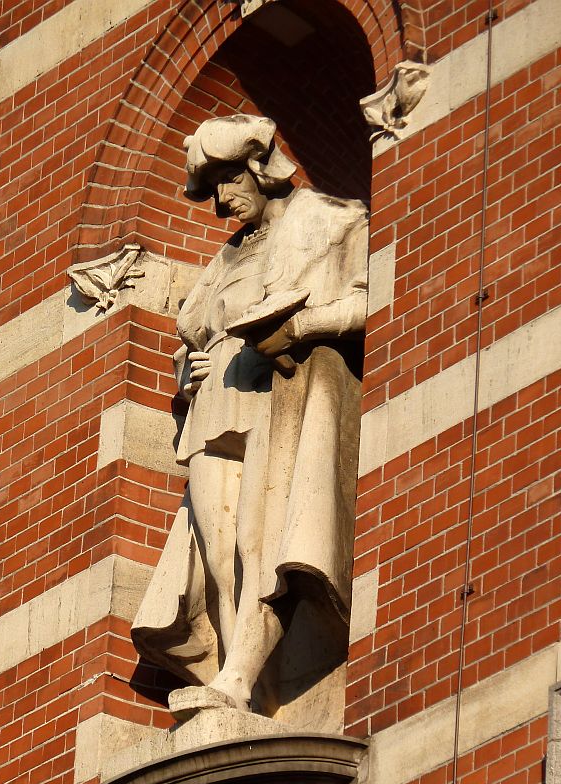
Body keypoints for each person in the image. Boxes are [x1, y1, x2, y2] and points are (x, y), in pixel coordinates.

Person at [131, 114, 369, 718]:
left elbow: (370, 300)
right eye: (212, 188)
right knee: (218, 554)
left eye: (228, 182)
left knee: (258, 538)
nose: (220, 202)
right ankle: (244, 683)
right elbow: (193, 340)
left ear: (260, 171)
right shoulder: (227, 259)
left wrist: (300, 327)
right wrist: (191, 372)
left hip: (277, 398)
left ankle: (238, 679)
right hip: (215, 411)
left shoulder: (328, 222)